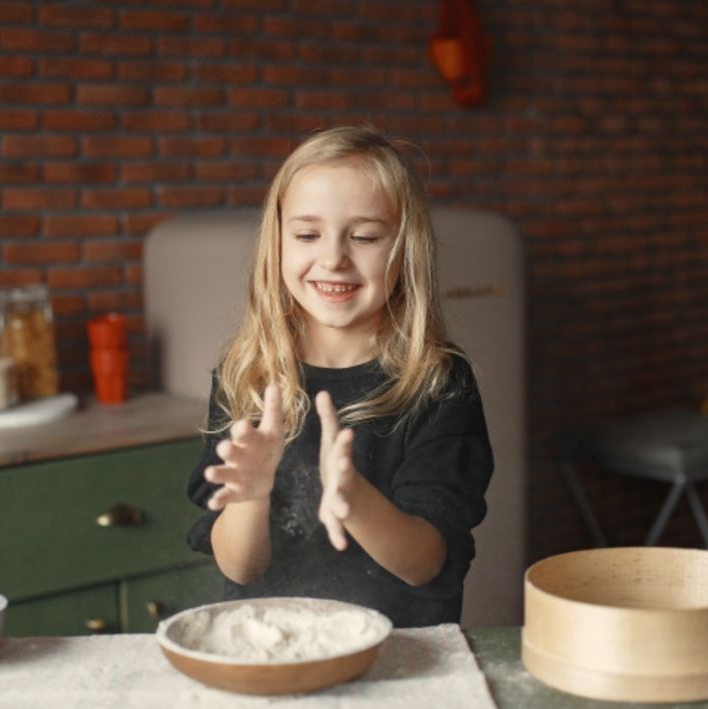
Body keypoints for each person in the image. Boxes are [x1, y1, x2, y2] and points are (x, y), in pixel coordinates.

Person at [185, 126, 493, 627]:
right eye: (308, 234)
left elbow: (425, 564)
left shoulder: (437, 383)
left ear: (404, 249)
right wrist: (252, 494)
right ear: (277, 243)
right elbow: (241, 568)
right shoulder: (246, 375)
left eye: (365, 236)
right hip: (274, 650)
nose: (333, 258)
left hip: (400, 660)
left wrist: (354, 499)